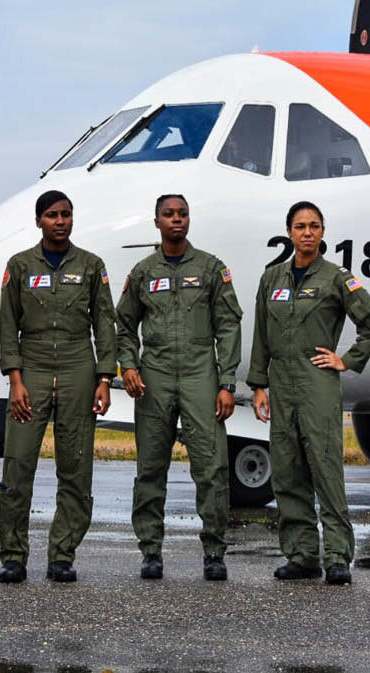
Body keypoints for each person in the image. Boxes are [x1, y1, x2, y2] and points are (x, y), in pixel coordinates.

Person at [247, 201, 370, 585]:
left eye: (314, 226)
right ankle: (302, 554)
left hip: (317, 384)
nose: (307, 232)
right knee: (288, 471)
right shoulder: (271, 279)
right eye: (299, 226)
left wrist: (348, 360)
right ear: (289, 232)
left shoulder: (336, 279)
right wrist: (259, 385)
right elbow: (261, 335)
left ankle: (338, 555)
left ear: (323, 232)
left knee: (326, 468)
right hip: (281, 385)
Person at [116, 194, 242, 581]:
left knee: (212, 467)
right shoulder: (142, 272)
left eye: (182, 214)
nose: (176, 220)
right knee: (151, 467)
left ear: (189, 220)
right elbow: (123, 324)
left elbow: (229, 324)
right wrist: (129, 365)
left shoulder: (210, 268)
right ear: (156, 222)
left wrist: (226, 382)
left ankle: (214, 552)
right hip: (154, 377)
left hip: (200, 373)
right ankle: (151, 550)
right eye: (169, 215)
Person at [0, 189, 117, 583]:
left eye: (66, 214)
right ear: (38, 221)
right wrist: (14, 379)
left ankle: (62, 554)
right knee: (17, 464)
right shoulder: (18, 265)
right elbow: (8, 325)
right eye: (51, 214)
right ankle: (13, 555)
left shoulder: (91, 266)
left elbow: (104, 324)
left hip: (77, 366)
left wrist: (104, 379)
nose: (60, 220)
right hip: (30, 366)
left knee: (76, 466)